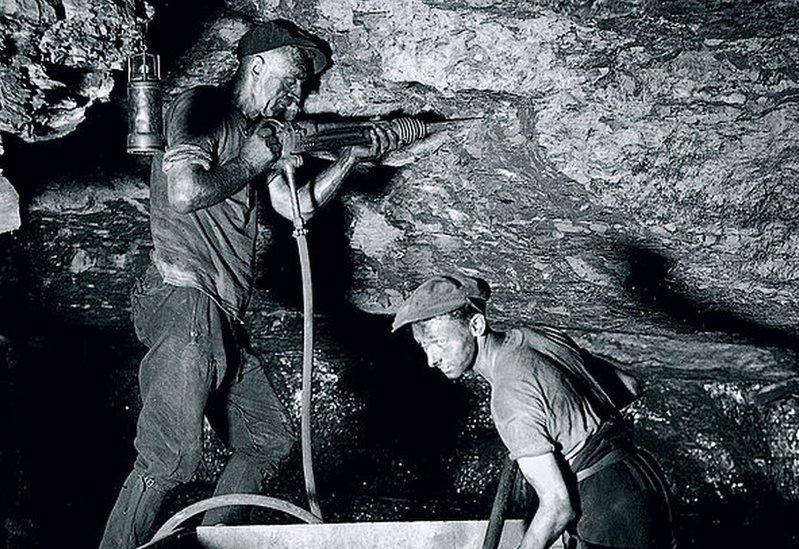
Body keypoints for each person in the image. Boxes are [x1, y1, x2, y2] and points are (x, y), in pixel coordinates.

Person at [100, 20, 399, 548]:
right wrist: (257, 158)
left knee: (268, 438)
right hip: (185, 295)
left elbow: (295, 206)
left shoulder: (250, 135)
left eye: (305, 86)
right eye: (291, 77)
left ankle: (213, 541)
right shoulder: (203, 108)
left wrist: (351, 159)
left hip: (220, 316)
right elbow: (185, 192)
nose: (298, 94)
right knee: (168, 455)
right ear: (255, 65)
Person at [393, 274, 677, 549]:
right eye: (424, 346)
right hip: (643, 479)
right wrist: (564, 419)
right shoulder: (534, 337)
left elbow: (557, 507)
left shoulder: (508, 398)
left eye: (440, 342)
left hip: (606, 508)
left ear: (477, 324)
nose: (431, 359)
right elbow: (630, 385)